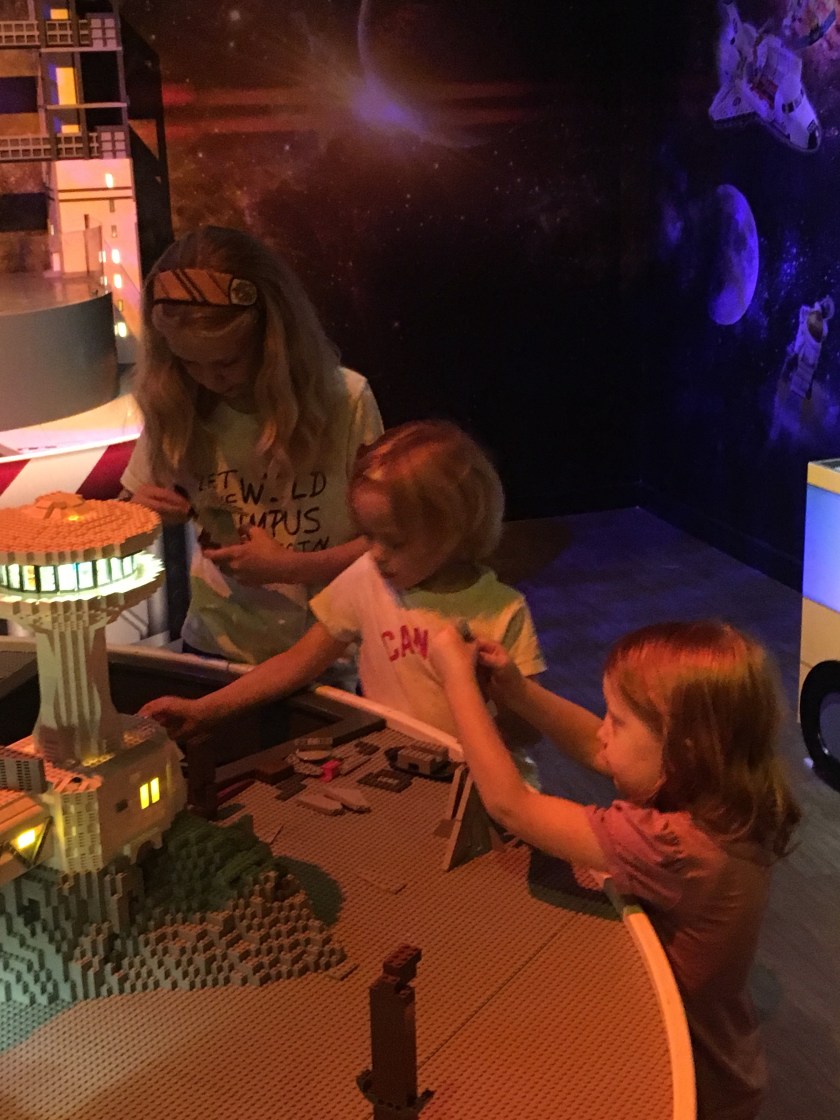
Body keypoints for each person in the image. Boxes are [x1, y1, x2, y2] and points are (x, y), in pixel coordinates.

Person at [430, 619, 801, 1120]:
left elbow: (512, 806)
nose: (603, 730)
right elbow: (596, 746)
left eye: (618, 721)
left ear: (683, 749)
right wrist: (517, 691)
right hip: (729, 1057)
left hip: (692, 1081)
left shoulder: (672, 846)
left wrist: (456, 680)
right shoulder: (727, 797)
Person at [139, 420, 546, 750]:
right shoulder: (367, 578)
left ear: (456, 530)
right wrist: (205, 710)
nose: (376, 554)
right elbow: (297, 662)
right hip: (396, 771)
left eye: (395, 541)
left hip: (476, 784)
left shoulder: (502, 612)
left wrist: (499, 706)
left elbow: (528, 732)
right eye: (368, 536)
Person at [121, 225, 383, 664]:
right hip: (215, 645)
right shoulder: (177, 401)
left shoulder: (347, 400)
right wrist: (136, 513)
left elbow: (388, 542)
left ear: (275, 342)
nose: (209, 379)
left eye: (227, 360)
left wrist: (291, 568)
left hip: (328, 651)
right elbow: (127, 504)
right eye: (188, 362)